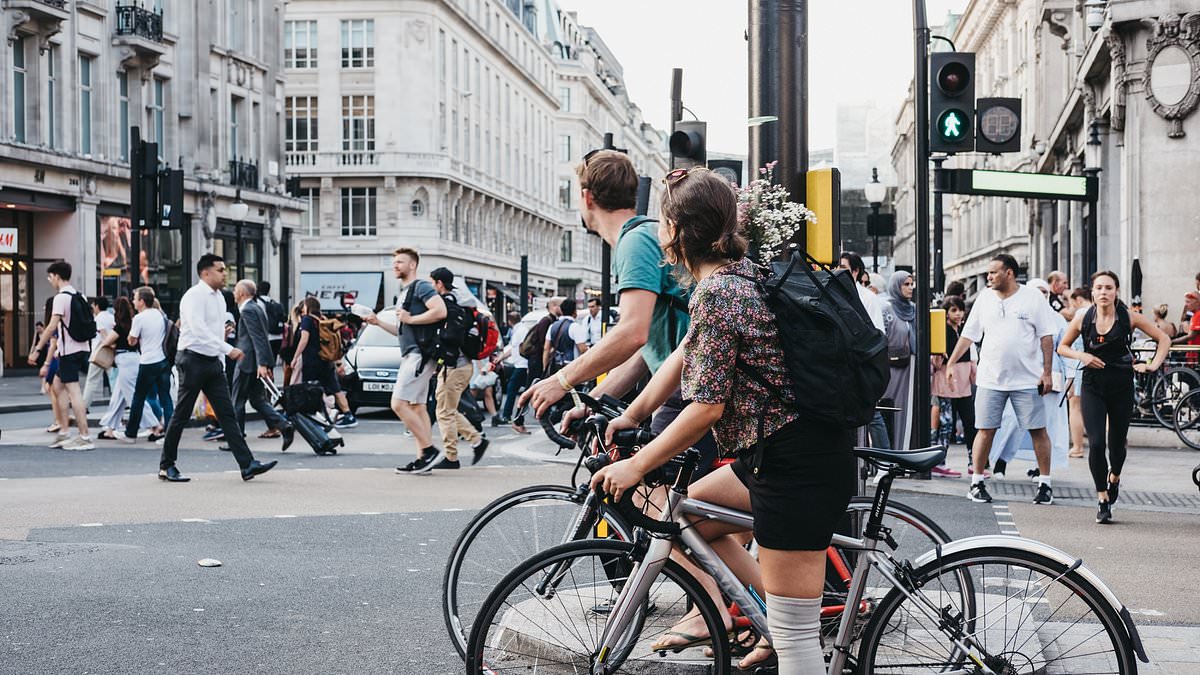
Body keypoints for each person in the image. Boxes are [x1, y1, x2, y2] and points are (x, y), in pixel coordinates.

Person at [591, 168, 853, 673]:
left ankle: (781, 616)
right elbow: (686, 353)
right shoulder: (741, 276)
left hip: (796, 466)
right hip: (779, 456)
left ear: (675, 230)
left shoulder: (720, 293)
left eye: (663, 220)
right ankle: (766, 611)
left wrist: (637, 465)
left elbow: (706, 406)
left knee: (797, 643)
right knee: (685, 512)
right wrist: (632, 412)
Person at [521, 150, 707, 474]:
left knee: (649, 495)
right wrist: (593, 398)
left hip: (688, 387)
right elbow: (646, 348)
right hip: (683, 382)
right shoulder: (645, 235)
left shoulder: (635, 243)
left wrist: (562, 381)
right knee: (670, 506)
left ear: (586, 197)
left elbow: (632, 333)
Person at [1059, 271, 1171, 524]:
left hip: (1121, 386)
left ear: (1116, 291)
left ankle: (1115, 478)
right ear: (1092, 291)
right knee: (1097, 443)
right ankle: (1102, 498)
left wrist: (1152, 365)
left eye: (1108, 287)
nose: (1103, 292)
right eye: (1099, 287)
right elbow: (1062, 346)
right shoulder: (1082, 318)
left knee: (1117, 444)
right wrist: (1083, 356)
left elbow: (1163, 338)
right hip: (1092, 386)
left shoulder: (1129, 317)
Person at [946, 254, 1058, 505]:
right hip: (990, 378)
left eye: (993, 272)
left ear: (1009, 273)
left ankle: (1045, 484)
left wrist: (1047, 372)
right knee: (985, 430)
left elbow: (1046, 336)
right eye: (988, 273)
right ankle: (976, 482)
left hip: (1027, 379)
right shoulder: (984, 298)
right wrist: (951, 362)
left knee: (1038, 430)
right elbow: (969, 335)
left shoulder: (1032, 297)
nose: (988, 277)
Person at [156, 254, 278, 483]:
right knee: (181, 415)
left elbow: (214, 331)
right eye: (220, 270)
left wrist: (220, 358)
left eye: (225, 269)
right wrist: (227, 349)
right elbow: (198, 329)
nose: (225, 274)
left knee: (227, 414)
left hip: (212, 362)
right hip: (192, 360)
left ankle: (247, 464)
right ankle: (166, 465)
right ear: (205, 273)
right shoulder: (193, 296)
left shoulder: (221, 298)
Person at [366, 247, 447, 474]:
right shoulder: (404, 293)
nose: (395, 266)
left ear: (412, 265)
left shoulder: (420, 286)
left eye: (400, 262)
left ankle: (429, 450)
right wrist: (378, 323)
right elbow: (403, 328)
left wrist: (411, 317)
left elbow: (440, 311)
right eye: (394, 263)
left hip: (419, 355)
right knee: (417, 406)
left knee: (398, 403)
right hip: (413, 353)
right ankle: (423, 459)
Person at [990, 279, 1074, 481]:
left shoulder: (1057, 319)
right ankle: (1001, 460)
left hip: (1051, 378)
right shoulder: (1018, 314)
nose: (1042, 296)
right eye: (1038, 292)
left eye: (1045, 292)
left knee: (1047, 424)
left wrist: (1070, 376)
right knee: (1012, 421)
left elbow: (1065, 348)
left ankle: (1041, 467)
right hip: (1021, 377)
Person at [425, 266, 488, 470]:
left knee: (443, 411)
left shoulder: (449, 305)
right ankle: (477, 440)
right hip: (459, 365)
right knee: (447, 409)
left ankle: (452, 457)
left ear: (439, 284)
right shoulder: (461, 303)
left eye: (432, 283)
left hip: (455, 365)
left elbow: (449, 337)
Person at [26, 261, 94, 451]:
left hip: (69, 351)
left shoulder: (61, 298)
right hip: (82, 347)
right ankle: (64, 432)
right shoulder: (79, 296)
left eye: (50, 277)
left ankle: (84, 436)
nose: (50, 280)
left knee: (74, 392)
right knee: (57, 385)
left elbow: (51, 326)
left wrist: (37, 348)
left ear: (56, 276)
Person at [229, 280, 293, 444]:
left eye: (235, 290)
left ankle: (236, 440)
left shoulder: (248, 310)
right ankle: (284, 425)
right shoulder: (256, 308)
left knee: (237, 401)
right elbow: (261, 337)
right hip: (254, 362)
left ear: (242, 293)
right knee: (258, 400)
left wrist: (263, 364)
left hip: (246, 362)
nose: (233, 293)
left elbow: (258, 338)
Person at [838, 251, 889, 450]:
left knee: (873, 414)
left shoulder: (868, 298)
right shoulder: (834, 293)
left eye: (843, 268)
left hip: (863, 364)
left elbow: (878, 334)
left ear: (856, 271)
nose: (837, 271)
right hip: (845, 366)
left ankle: (883, 461)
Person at [96, 297, 160, 441]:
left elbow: (106, 341)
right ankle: (110, 428)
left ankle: (154, 426)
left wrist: (111, 343)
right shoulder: (133, 323)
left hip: (125, 361)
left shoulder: (120, 326)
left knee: (133, 396)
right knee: (119, 396)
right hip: (135, 358)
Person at [291, 297, 357, 428]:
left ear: (307, 307)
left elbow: (304, 340)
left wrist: (295, 357)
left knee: (312, 390)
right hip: (326, 361)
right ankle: (349, 416)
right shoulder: (322, 319)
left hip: (312, 361)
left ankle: (320, 418)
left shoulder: (307, 320)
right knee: (335, 389)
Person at [120, 286, 173, 444]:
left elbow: (131, 340)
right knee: (166, 398)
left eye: (135, 299)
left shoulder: (139, 318)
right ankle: (171, 434)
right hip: (163, 360)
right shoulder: (160, 315)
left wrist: (135, 337)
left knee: (138, 398)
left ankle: (131, 434)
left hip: (148, 361)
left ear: (142, 302)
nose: (133, 301)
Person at [931, 296, 974, 476]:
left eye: (960, 310)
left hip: (963, 382)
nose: (958, 314)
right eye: (954, 310)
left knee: (970, 422)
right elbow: (936, 361)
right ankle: (938, 461)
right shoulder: (942, 331)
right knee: (946, 424)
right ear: (946, 313)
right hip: (946, 383)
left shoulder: (963, 330)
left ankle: (975, 462)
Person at [880, 271, 917, 452]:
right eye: (906, 284)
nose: (910, 288)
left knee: (908, 411)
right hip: (892, 368)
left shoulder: (914, 309)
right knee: (890, 409)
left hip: (912, 368)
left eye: (911, 284)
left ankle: (905, 450)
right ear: (896, 286)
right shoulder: (887, 309)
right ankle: (891, 451)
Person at [1066, 287, 1093, 458]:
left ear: (1079, 300)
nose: (1071, 308)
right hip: (1098, 365)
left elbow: (1070, 344)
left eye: (1072, 304)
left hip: (1080, 365)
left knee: (1075, 406)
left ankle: (1077, 446)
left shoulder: (1081, 314)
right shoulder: (1099, 312)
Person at [498, 311, 530, 432]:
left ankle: (509, 416)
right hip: (520, 365)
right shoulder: (519, 330)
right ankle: (513, 417)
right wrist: (501, 358)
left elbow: (520, 348)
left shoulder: (520, 331)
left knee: (515, 390)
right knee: (518, 391)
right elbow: (513, 348)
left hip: (522, 365)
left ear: (510, 321)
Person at [82, 296, 115, 410]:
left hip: (99, 352)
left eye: (93, 305)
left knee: (92, 380)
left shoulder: (98, 319)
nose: (92, 308)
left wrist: (108, 344)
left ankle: (84, 406)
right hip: (111, 354)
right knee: (114, 380)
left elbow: (103, 334)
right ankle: (118, 404)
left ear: (97, 306)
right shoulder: (112, 317)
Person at [544, 298, 590, 375]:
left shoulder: (552, 326)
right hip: (571, 366)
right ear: (574, 311)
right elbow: (582, 349)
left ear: (562, 311)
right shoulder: (574, 326)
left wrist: (545, 367)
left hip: (556, 365)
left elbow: (546, 348)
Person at [255, 280, 286, 363]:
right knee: (272, 362)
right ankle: (271, 375)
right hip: (278, 337)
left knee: (264, 363)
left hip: (266, 337)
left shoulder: (257, 303)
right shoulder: (274, 302)